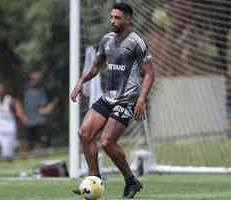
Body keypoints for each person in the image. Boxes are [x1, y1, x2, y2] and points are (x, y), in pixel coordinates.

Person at [70, 2, 155, 199]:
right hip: (109, 97)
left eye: (117, 18)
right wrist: (80, 83)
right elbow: (94, 67)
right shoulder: (106, 40)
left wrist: (141, 99)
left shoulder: (137, 43)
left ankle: (131, 181)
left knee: (107, 142)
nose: (112, 21)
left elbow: (150, 74)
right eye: (111, 17)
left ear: (128, 19)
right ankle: (94, 180)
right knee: (84, 133)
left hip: (128, 99)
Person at [0, 82, 27, 161]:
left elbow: (19, 111)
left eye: (1, 89)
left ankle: (15, 150)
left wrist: (22, 117)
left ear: (5, 91)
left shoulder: (11, 100)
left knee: (7, 156)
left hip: (8, 131)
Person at [23, 67, 59, 150]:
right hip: (33, 123)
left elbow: (42, 110)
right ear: (31, 75)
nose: (37, 77)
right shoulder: (26, 90)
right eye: (35, 74)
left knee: (38, 146)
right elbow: (43, 111)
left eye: (38, 75)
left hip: (38, 123)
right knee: (31, 146)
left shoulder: (40, 91)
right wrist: (53, 104)